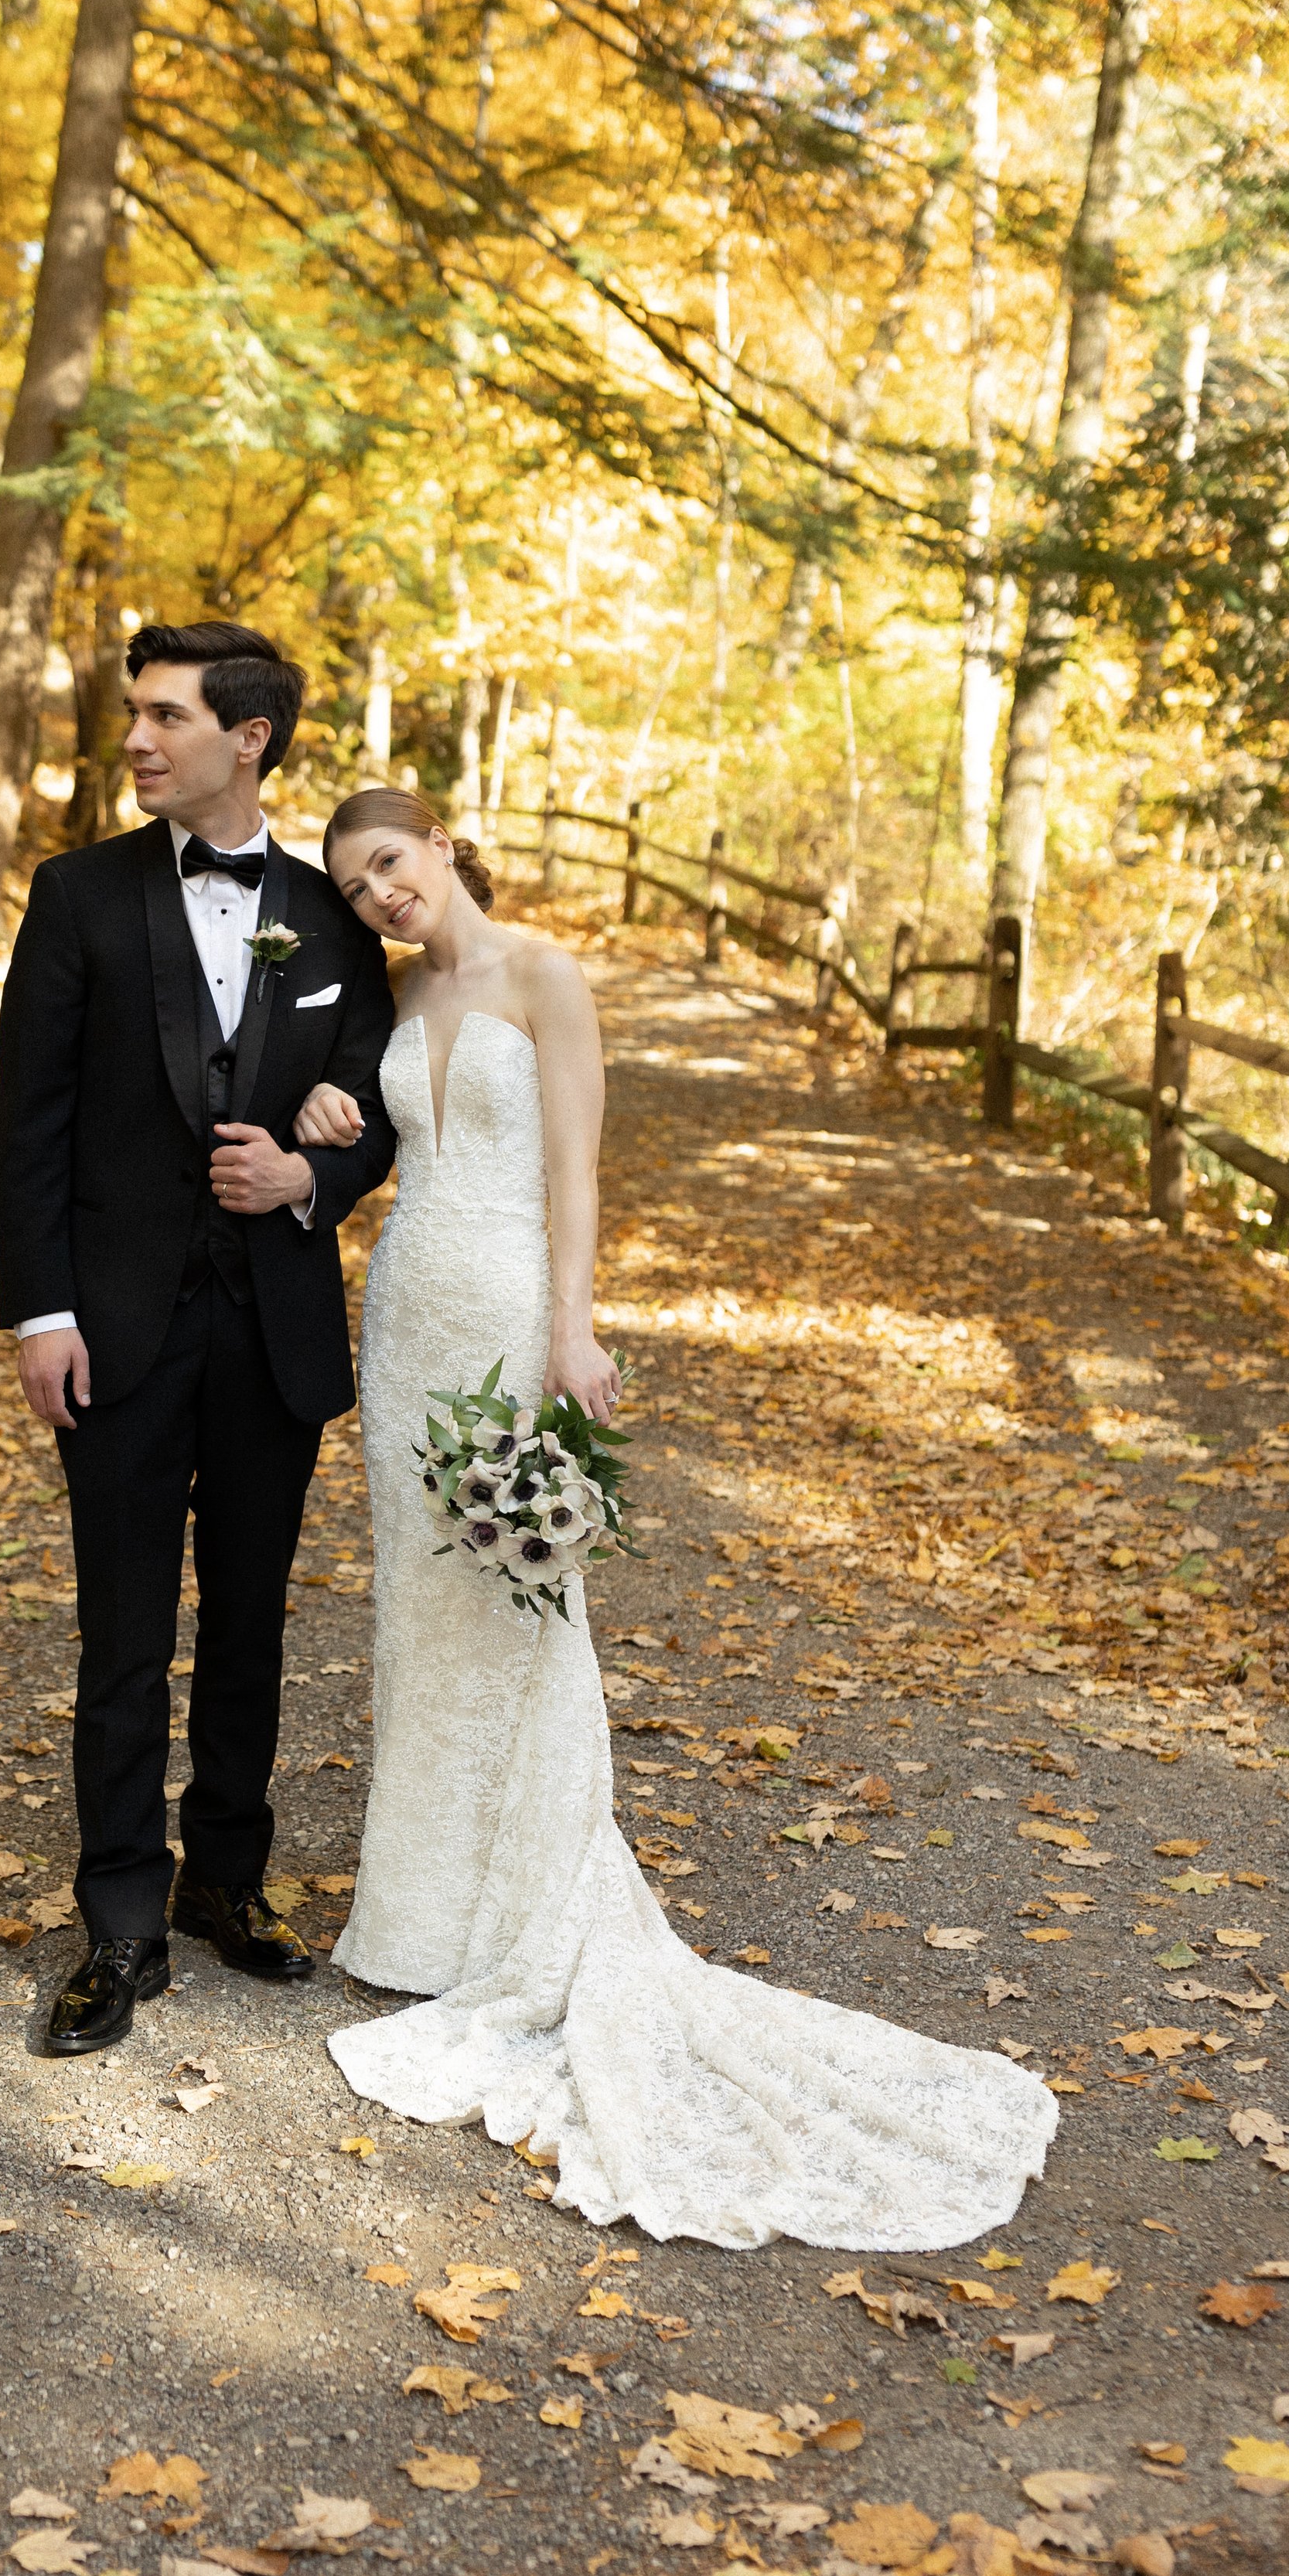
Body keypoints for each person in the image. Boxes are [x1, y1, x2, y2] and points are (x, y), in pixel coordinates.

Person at [290, 788, 1057, 2246]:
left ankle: (530, 1913)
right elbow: (361, 1140)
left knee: (522, 1606)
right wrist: (329, 1110)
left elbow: (576, 1171)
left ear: (444, 842)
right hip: (405, 1320)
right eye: (356, 883)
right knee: (421, 1606)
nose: (380, 893)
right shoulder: (387, 997)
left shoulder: (546, 977)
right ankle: (419, 1919)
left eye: (390, 862)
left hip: (513, 1307)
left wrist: (575, 1333)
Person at [0, 624, 396, 2056]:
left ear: (251, 738)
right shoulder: (77, 895)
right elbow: (27, 1121)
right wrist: (39, 1310)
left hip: (274, 1327)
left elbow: (379, 1095)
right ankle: (119, 1919)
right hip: (115, 1328)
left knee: (247, 1620)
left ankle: (231, 1876)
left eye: (168, 717)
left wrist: (312, 1180)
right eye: (136, 717)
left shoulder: (334, 908)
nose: (140, 741)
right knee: (121, 1629)